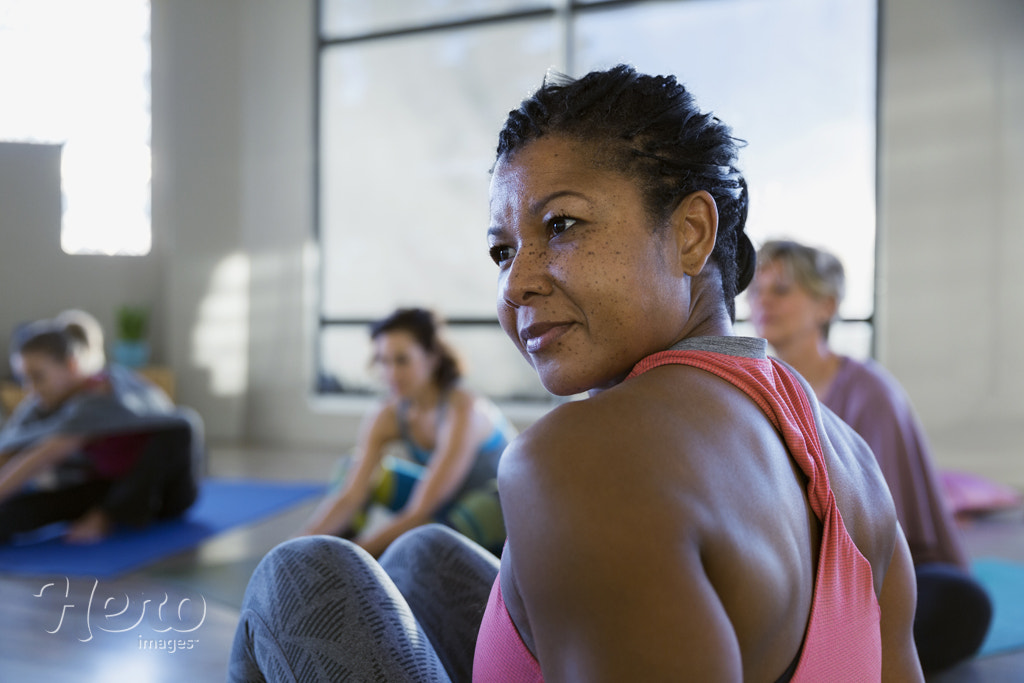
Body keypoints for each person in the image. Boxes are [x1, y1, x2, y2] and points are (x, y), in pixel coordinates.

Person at [229, 65, 923, 682]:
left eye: (561, 224)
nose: (517, 284)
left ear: (690, 234)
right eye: (503, 251)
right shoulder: (848, 459)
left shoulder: (587, 456)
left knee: (299, 574)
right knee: (423, 557)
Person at [747, 238, 992, 672]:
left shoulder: (870, 393)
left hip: (882, 570)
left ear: (826, 306)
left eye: (780, 290)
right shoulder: (761, 388)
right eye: (756, 290)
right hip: (798, 566)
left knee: (958, 604)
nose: (762, 300)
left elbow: (879, 527)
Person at [298, 307, 516, 558]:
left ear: (432, 357)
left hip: (499, 512)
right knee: (352, 467)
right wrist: (302, 545)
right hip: (444, 506)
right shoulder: (388, 414)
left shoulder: (463, 408)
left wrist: (355, 556)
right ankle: (333, 548)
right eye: (383, 360)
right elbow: (350, 496)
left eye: (402, 360)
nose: (391, 373)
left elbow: (420, 512)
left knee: (456, 520)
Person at [0, 314, 201, 544]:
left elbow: (42, 456)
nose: (30, 389)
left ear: (72, 366)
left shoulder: (99, 394)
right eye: (24, 379)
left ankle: (106, 517)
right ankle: (102, 512)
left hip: (157, 494)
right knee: (13, 512)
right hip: (102, 487)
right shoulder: (40, 403)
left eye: (37, 377)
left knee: (180, 427)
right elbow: (10, 448)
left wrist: (104, 514)